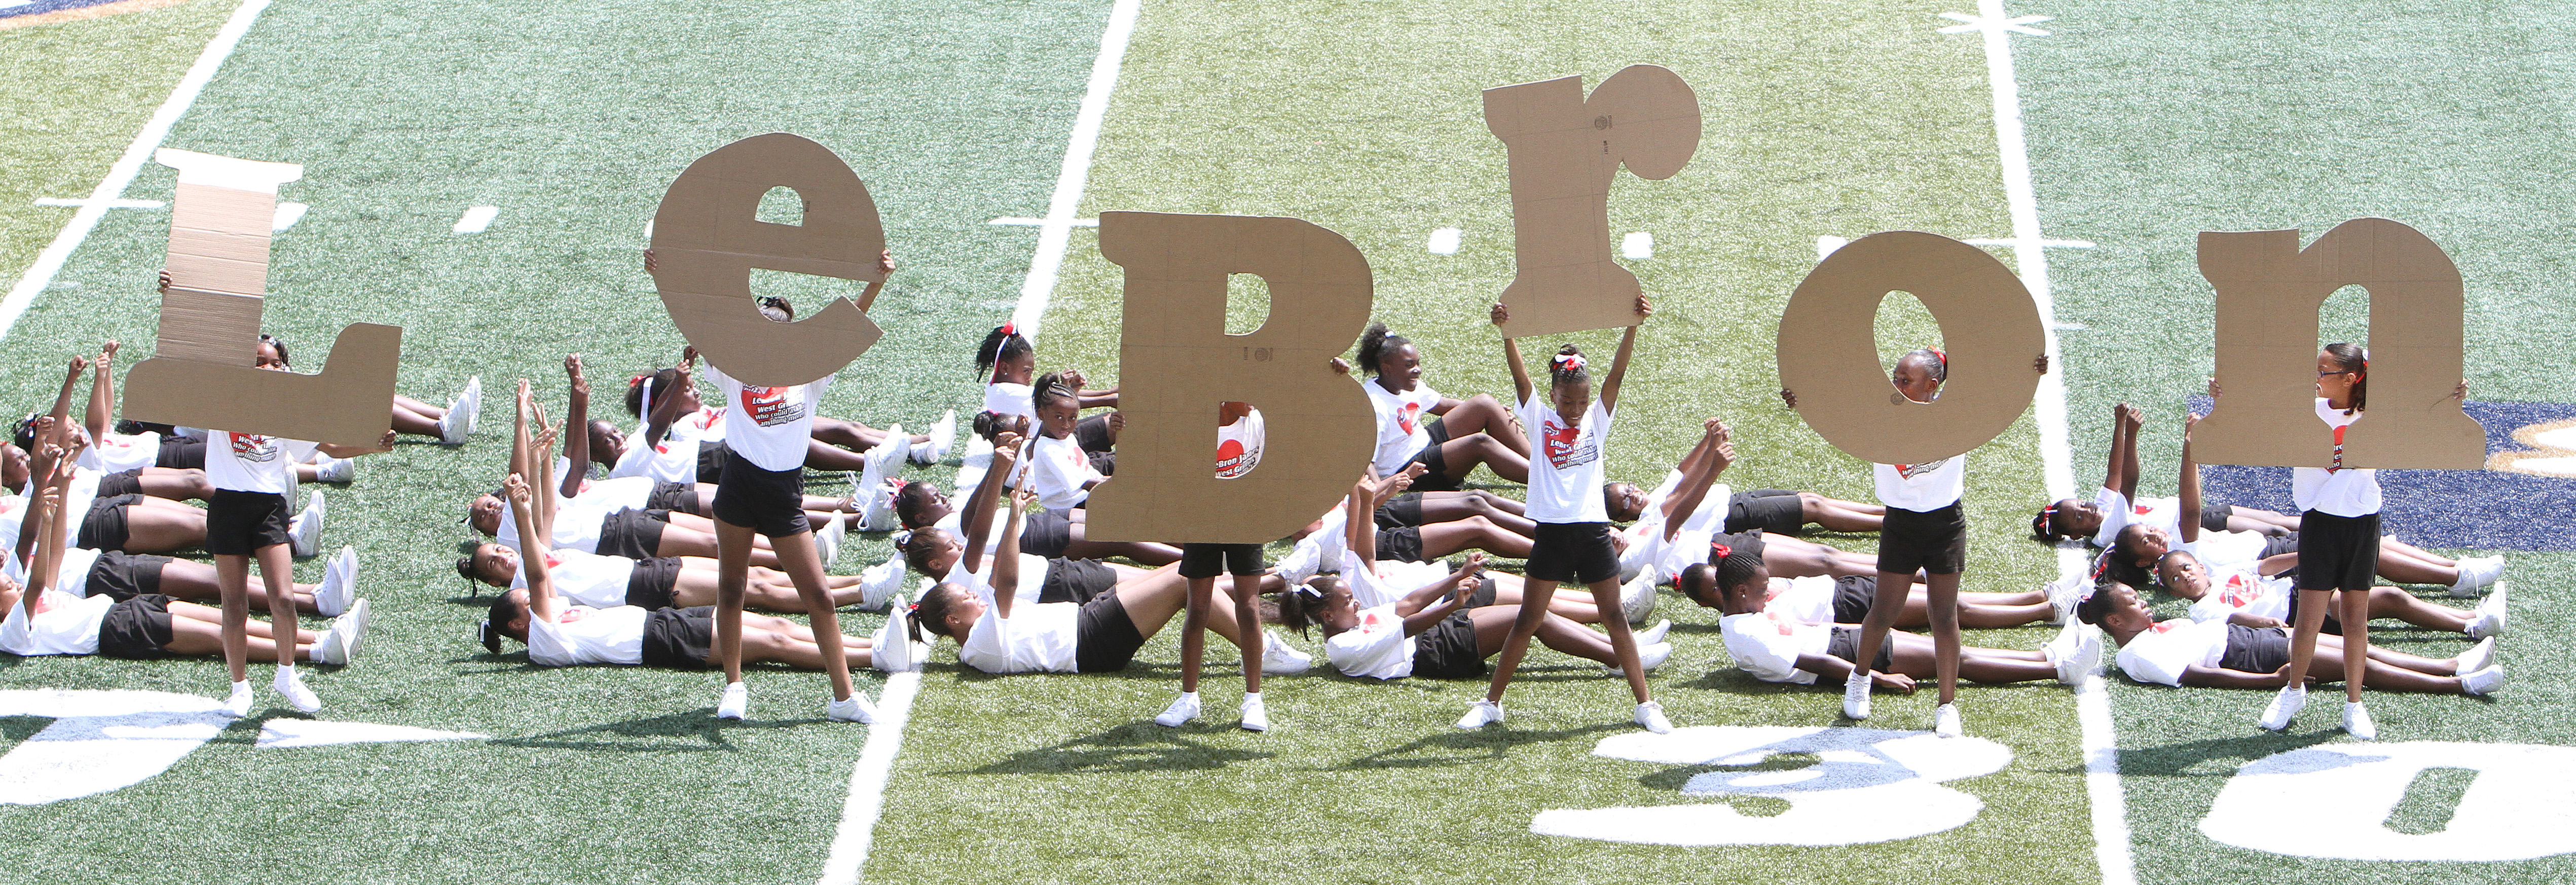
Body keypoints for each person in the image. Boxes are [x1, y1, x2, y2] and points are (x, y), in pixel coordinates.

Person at [1786, 345, 2047, 738]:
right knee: (1884, 611)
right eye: (1896, 377)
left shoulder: (1956, 414)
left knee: (1944, 616)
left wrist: (2032, 372)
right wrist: (1799, 400)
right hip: (1901, 525)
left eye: (1905, 380)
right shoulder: (1880, 415)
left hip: (1945, 524)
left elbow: (2000, 400)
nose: (1896, 384)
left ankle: (1947, 705)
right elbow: (1834, 412)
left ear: (1932, 386)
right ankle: (1859, 679)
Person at [1462, 297, 1666, 734]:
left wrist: (1633, 325)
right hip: (1553, 534)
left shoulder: (1596, 420)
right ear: (1553, 394)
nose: (1575, 410)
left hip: (1593, 532)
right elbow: (1520, 381)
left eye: (1582, 402)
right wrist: (1506, 333)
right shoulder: (1538, 418)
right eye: (1567, 401)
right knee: (1528, 619)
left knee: (1614, 618)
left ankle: (1646, 705)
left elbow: (1617, 375)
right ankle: (1491, 703)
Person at [480, 474, 879, 672]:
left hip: (657, 618)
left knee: (774, 622)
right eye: (532, 605)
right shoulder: (543, 643)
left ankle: (870, 639)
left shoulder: (548, 616)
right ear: (520, 624)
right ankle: (876, 657)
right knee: (774, 638)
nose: (543, 599)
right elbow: (535, 576)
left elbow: (542, 569)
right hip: (658, 639)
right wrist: (521, 510)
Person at [905, 487, 1303, 678]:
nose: (974, 594)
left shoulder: (977, 637)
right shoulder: (981, 644)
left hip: (1084, 621)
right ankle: (1263, 649)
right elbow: (1005, 584)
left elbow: (999, 584)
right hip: (1090, 642)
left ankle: (1261, 618)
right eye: (965, 597)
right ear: (954, 620)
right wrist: (1012, 519)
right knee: (1181, 583)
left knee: (1178, 577)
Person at [4, 474, 367, 672]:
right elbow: (37, 583)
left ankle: (318, 634)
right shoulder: (12, 630)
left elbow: (48, 565)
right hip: (117, 629)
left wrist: (53, 514)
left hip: (121, 605)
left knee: (224, 619)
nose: (8, 580)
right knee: (215, 635)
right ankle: (318, 652)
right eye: (2, 585)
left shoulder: (22, 599)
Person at [688, 342, 873, 724]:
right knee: (732, 587)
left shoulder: (809, 377)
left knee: (819, 595)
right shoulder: (735, 369)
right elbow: (702, 320)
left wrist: (875, 282)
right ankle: (734, 686)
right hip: (737, 488)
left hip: (784, 497)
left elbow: (842, 332)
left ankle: (844, 698)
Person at [1694, 547, 2096, 691]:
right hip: (1845, 653)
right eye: (1764, 589)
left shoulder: (1747, 617)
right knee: (1958, 661)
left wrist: (1866, 629)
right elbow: (1811, 660)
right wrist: (1871, 675)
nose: (1770, 594)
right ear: (1742, 592)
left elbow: (1809, 632)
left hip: (1843, 637)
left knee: (1956, 649)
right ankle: (2057, 670)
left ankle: (2046, 658)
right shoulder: (1746, 633)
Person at [1282, 548, 1672, 682]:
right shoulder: (1343, 648)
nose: (1357, 604)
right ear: (1329, 615)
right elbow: (1406, 627)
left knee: (1527, 613)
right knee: (1527, 616)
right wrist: (1452, 605)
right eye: (1349, 602)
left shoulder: (1349, 623)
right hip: (1432, 655)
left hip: (1434, 636)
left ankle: (1623, 645)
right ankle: (1620, 656)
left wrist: (1459, 576)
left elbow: (1407, 605)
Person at [2080, 581, 2501, 697]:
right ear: (2115, 620)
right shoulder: (2134, 656)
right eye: (2134, 602)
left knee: (2363, 649)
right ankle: (2458, 684)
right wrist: (2269, 680)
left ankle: (2453, 665)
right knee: (2361, 670)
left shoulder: (2149, 634)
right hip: (2248, 655)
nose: (2145, 605)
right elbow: (2194, 675)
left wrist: (2270, 627)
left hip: (2251, 637)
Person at [1157, 401, 1294, 730]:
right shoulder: (1194, 423)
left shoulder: (1258, 420)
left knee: (1248, 609)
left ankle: (1253, 700)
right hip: (1202, 519)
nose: (1250, 400)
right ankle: (1189, 697)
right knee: (1198, 608)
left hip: (1245, 519)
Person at [2033, 403, 2295, 544]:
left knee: (2276, 518)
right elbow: (2129, 483)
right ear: (2078, 535)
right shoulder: (2107, 533)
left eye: (2080, 505)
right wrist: (2132, 436)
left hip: (2197, 509)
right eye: (2079, 518)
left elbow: (2115, 472)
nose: (2086, 510)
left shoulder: (2101, 509)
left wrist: (2120, 424)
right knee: (2274, 531)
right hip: (2196, 524)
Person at [1338, 321, 1529, 490]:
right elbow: (1363, 459)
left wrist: (1496, 412)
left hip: (1425, 442)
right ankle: (1545, 479)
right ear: (1387, 368)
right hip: (1410, 469)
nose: (1418, 370)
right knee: (1479, 443)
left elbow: (1444, 405)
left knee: (1485, 403)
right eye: (1409, 365)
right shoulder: (1374, 406)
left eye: (1418, 363)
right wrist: (1382, 491)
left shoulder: (1405, 385)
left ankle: (1544, 464)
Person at [2157, 548, 2505, 639]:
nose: (2185, 578)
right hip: (2299, 611)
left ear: (2200, 567)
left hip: (2302, 588)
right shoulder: (2199, 612)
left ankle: (2471, 610)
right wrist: (2273, 623)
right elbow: (2237, 619)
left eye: (2186, 568)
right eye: (2175, 579)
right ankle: (2470, 626)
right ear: (2174, 594)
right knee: (2392, 599)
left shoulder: (2224, 573)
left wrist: (2307, 555)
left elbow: (2264, 568)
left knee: (2371, 557)